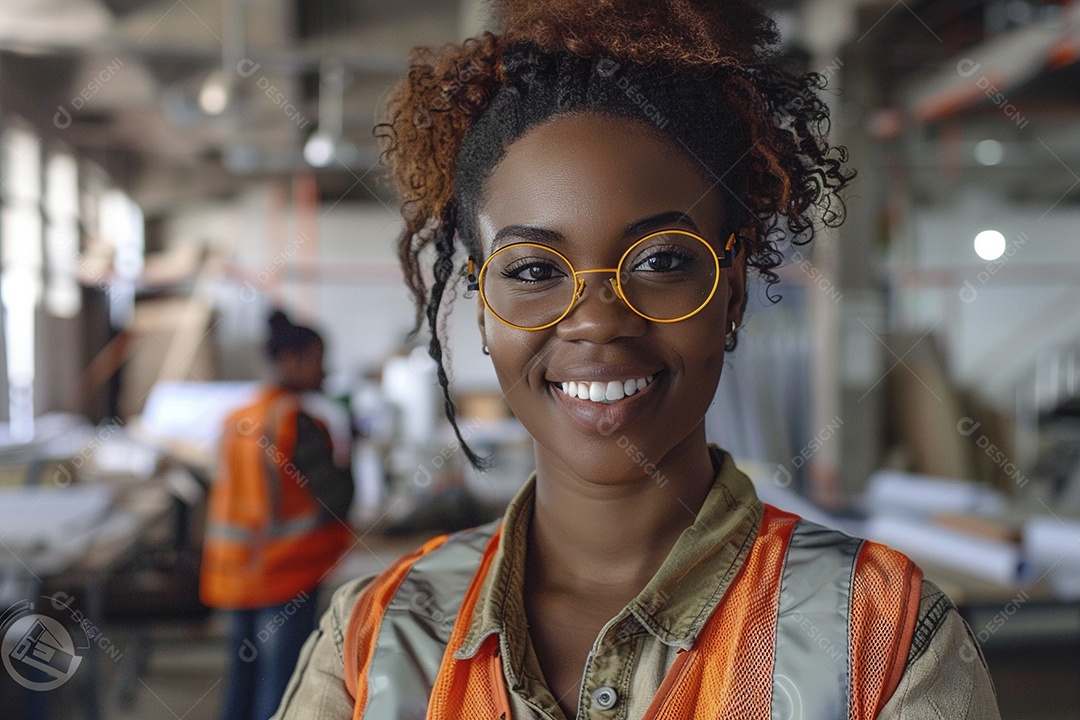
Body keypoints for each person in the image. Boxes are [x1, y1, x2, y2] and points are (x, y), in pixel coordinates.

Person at [273, 1, 1000, 718]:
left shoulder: (883, 639)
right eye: (533, 270)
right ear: (483, 306)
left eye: (659, 260)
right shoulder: (374, 641)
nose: (597, 321)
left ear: (733, 290)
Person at [202, 310, 354, 720]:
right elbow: (336, 498)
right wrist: (352, 442)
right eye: (319, 358)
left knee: (242, 681)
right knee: (282, 689)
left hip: (235, 573)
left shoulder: (238, 419)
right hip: (285, 575)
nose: (326, 369)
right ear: (291, 358)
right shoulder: (296, 421)